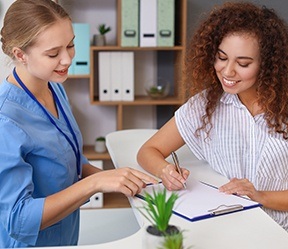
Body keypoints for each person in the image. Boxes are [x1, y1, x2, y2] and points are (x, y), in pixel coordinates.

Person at [0, 0, 157, 247]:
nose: (67, 59)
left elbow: (67, 160)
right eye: (53, 53)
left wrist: (116, 179)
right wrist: (94, 184)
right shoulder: (6, 121)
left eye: (71, 45)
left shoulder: (54, 89)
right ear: (20, 54)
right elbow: (18, 219)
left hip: (65, 237)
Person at [137, 2, 288, 231]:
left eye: (243, 63)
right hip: (228, 226)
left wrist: (260, 196)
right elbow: (148, 151)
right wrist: (165, 171)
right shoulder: (206, 105)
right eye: (221, 57)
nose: (228, 72)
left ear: (267, 65)